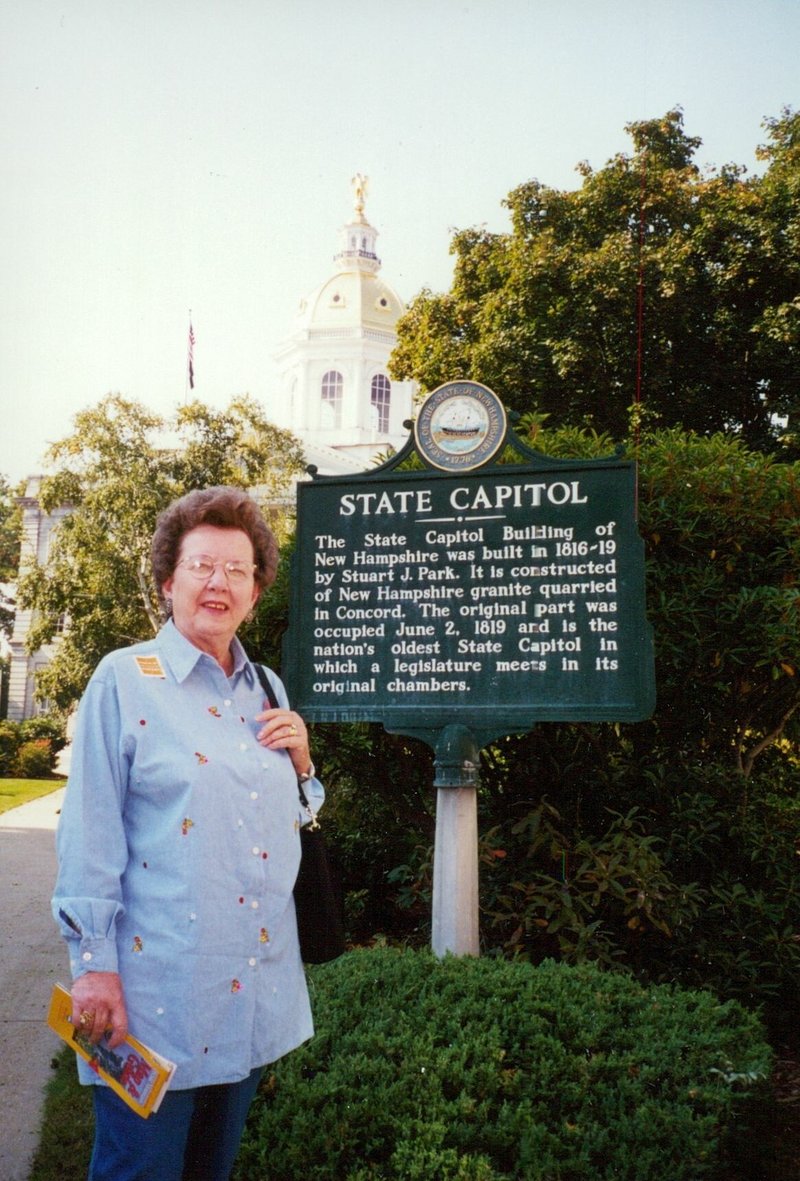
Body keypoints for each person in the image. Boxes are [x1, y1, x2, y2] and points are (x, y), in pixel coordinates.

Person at [52, 486, 323, 1181]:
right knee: (136, 1169)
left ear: (256, 591)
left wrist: (304, 765)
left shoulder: (267, 688)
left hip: (245, 992)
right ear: (168, 580)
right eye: (202, 565)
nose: (219, 583)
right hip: (148, 1001)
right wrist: (92, 969)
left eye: (238, 570)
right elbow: (89, 833)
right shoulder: (123, 680)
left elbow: (292, 820)